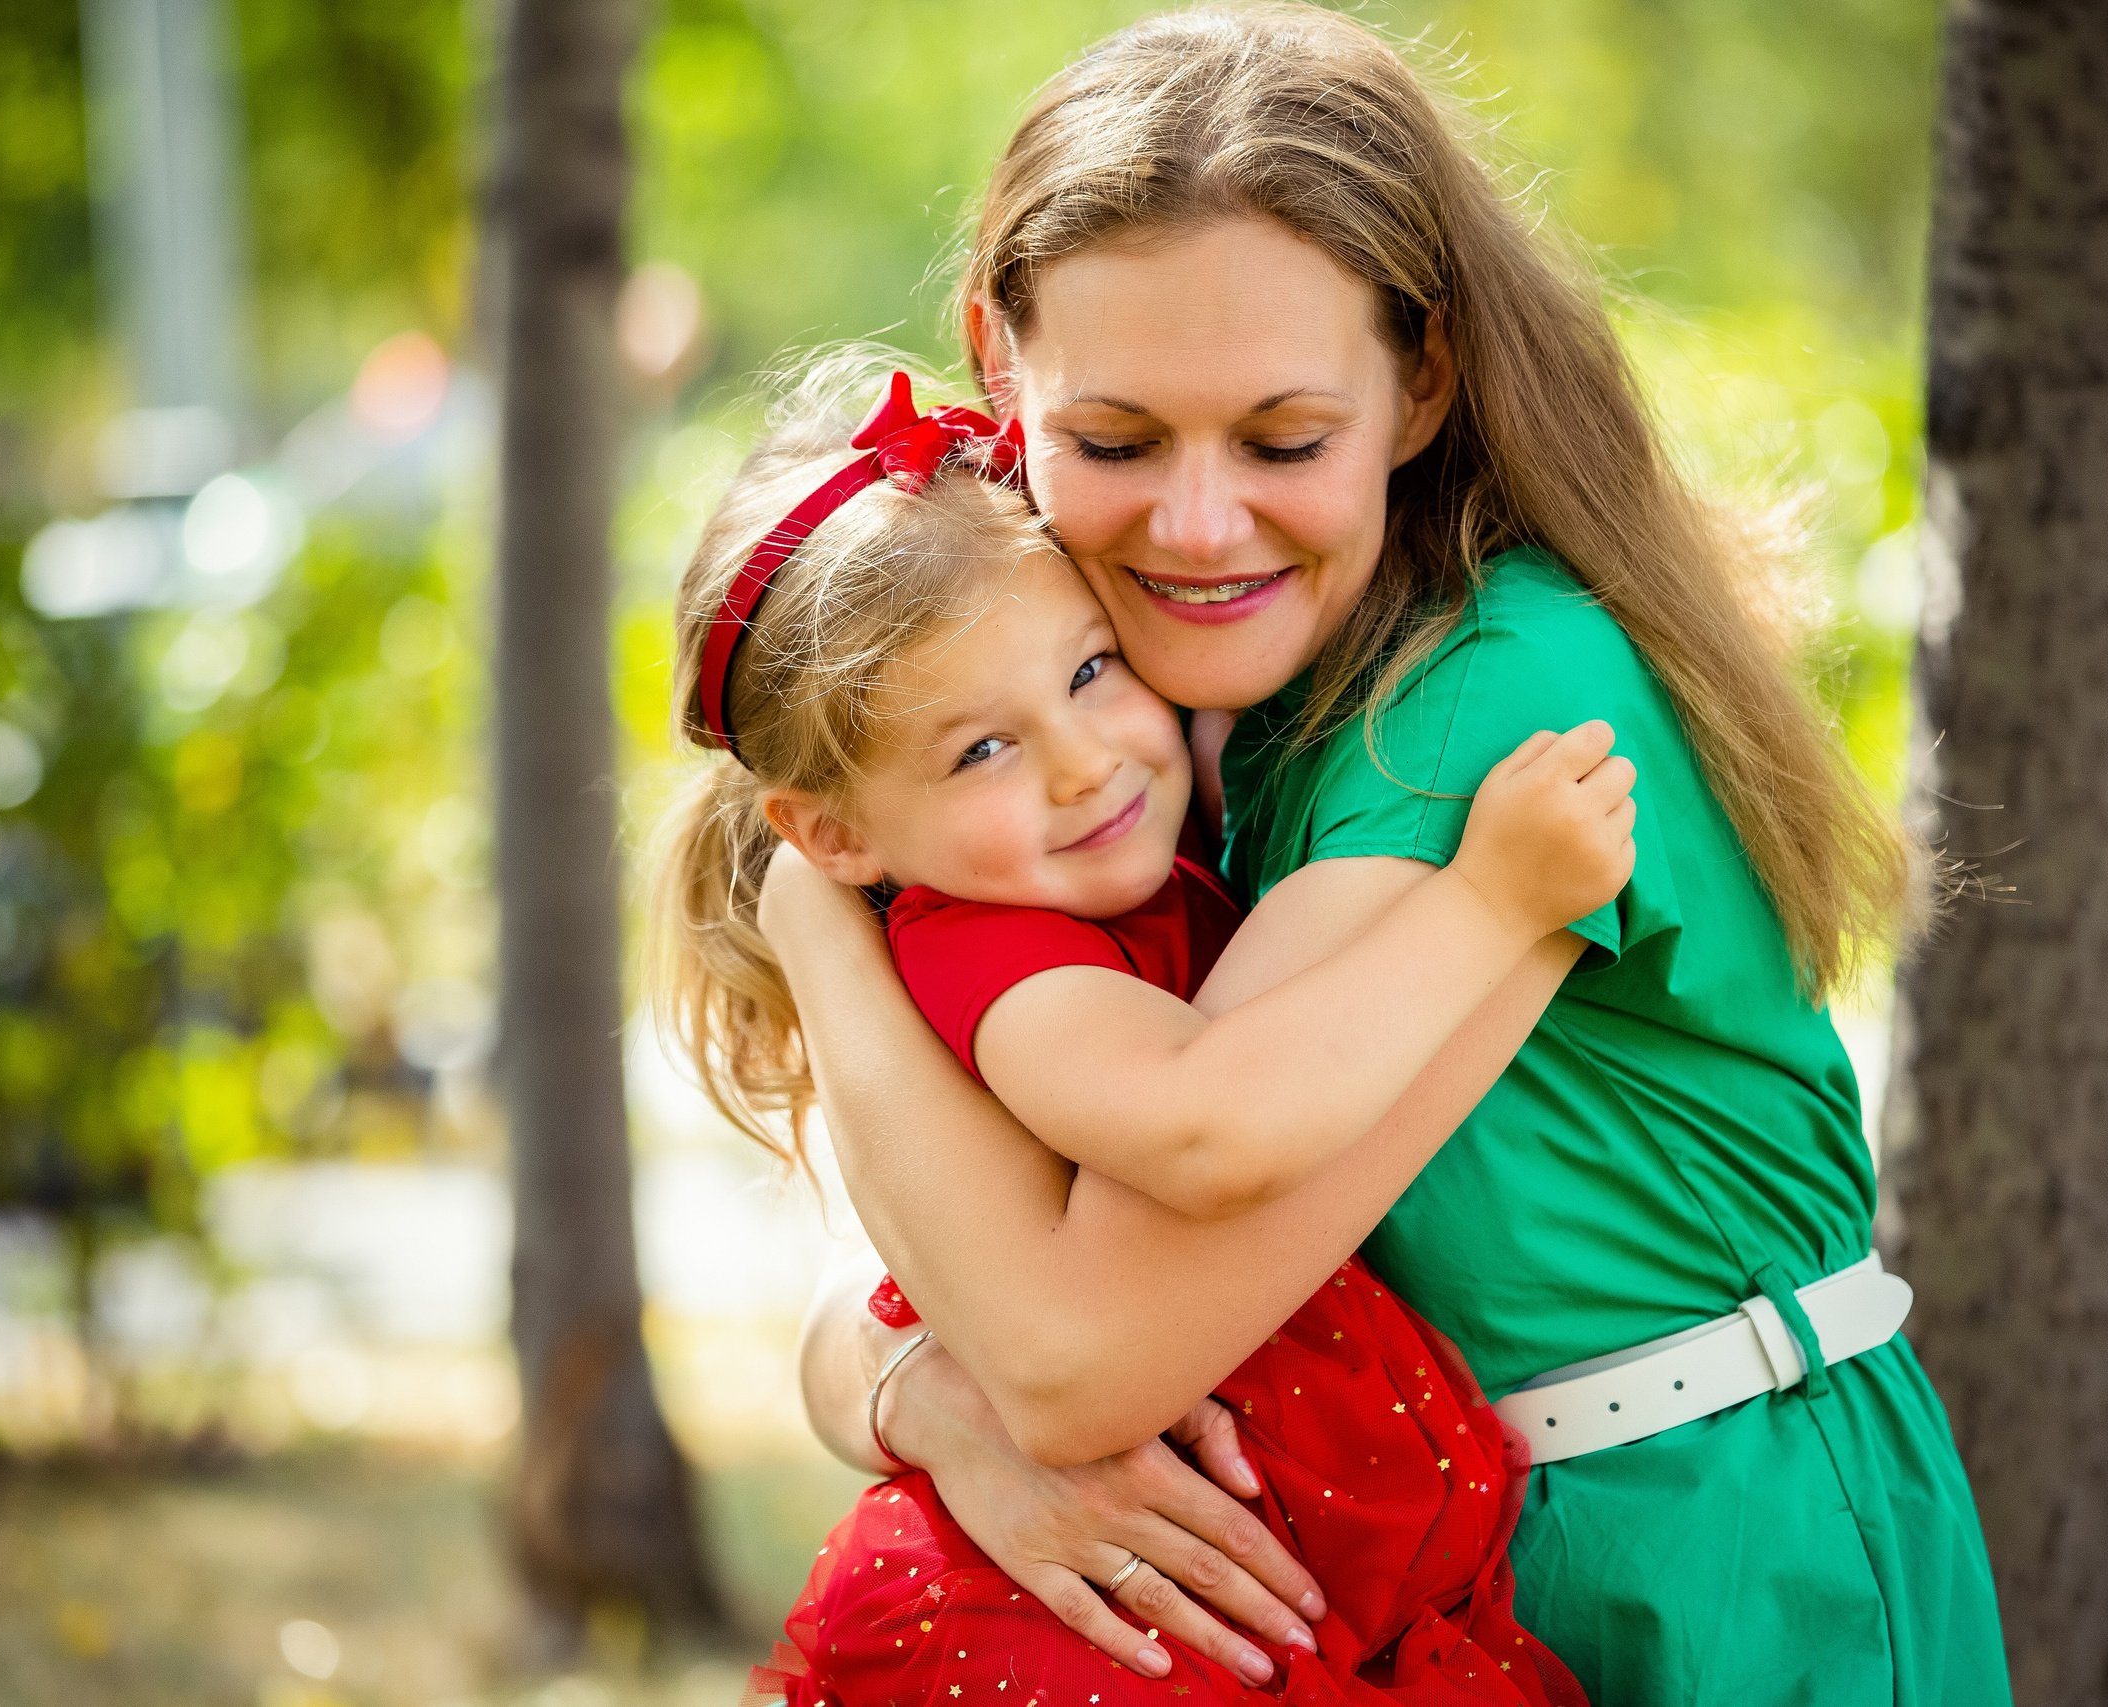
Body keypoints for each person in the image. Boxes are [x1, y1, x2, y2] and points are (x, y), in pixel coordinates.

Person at [763, 8, 2016, 1703]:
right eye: (1117, 443)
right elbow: (926, 1270)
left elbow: (1073, 1355)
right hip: (1418, 1572)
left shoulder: (1486, 712)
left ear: (1422, 379)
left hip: (1698, 1554)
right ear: (1001, 366)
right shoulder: (1127, 725)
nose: (1197, 526)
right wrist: (917, 1400)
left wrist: (822, 929)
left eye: (1285, 440)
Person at [648, 356, 1635, 1706]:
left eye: (1092, 670)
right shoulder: (987, 948)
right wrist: (1487, 904)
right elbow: (1202, 1125)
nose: (1085, 759)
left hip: (1218, 1582)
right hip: (1085, 1632)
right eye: (980, 750)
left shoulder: (1144, 858)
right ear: (835, 836)